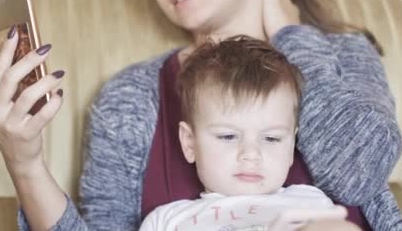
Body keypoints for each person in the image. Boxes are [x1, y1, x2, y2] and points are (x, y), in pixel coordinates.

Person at [0, 0, 402, 230]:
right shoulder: (132, 95)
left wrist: (294, 40)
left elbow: (356, 175)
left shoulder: (341, 53)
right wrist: (25, 163)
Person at [139, 35, 355, 231]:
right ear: (189, 143)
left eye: (271, 138)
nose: (251, 154)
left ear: (291, 147)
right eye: (228, 136)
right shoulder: (168, 220)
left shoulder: (310, 203)